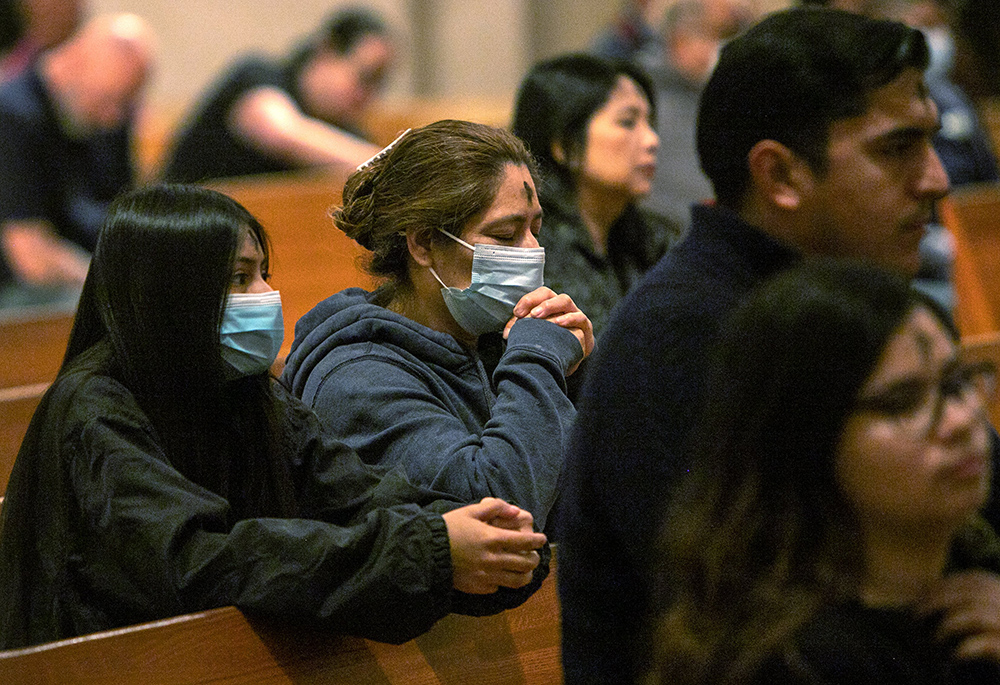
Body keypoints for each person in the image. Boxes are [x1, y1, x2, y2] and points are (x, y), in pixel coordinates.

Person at [556, 8, 969, 684]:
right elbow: (756, 624)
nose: (935, 179)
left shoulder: (866, 307)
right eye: (897, 148)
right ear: (780, 175)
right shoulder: (683, 334)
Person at [0, 183, 549, 650]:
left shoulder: (248, 393)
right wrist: (428, 549)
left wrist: (489, 535)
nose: (266, 296)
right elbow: (196, 562)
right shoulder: (94, 407)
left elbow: (359, 495)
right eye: (238, 280)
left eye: (263, 273)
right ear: (171, 297)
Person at [646, 258, 1000, 683]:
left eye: (956, 382)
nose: (961, 421)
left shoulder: (976, 585)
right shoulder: (794, 663)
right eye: (902, 401)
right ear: (807, 440)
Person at [281, 120, 594, 534]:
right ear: (424, 244)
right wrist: (538, 361)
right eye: (505, 234)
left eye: (535, 230)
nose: (533, 253)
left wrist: (582, 372)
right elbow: (502, 513)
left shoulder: (497, 338)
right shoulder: (355, 380)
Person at [510, 53, 681, 363]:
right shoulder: (528, 247)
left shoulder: (657, 237)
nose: (652, 140)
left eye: (650, 123)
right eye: (628, 122)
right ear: (564, 145)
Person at [0, 12, 153, 309]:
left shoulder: (111, 118)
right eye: (109, 99)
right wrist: (115, 291)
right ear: (73, 62)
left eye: (125, 104)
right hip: (25, 297)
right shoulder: (11, 116)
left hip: (93, 275)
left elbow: (126, 220)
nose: (114, 118)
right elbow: (31, 257)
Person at [163, 6, 393, 184]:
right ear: (327, 51)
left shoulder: (347, 132)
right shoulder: (258, 78)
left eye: (379, 85)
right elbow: (282, 133)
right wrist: (391, 166)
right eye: (365, 77)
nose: (368, 95)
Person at [640, 0, 725, 228]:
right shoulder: (644, 96)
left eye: (712, 39)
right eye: (699, 38)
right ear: (676, 41)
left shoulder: (712, 93)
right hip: (659, 225)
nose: (707, 50)